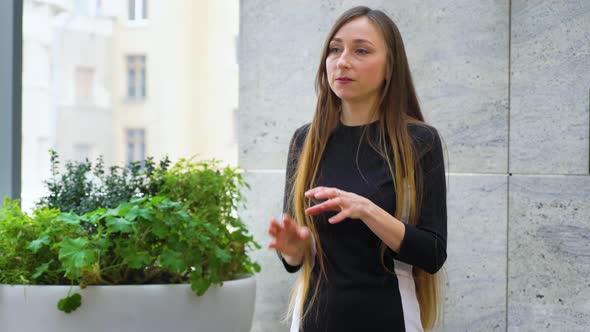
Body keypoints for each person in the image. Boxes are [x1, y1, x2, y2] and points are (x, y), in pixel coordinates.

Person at [267, 6, 447, 332]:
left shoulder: (420, 141)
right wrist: (293, 251)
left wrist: (366, 209)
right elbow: (295, 259)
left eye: (361, 50)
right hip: (313, 320)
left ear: (390, 67)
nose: (343, 61)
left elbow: (432, 254)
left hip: (390, 319)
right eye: (335, 50)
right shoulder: (306, 141)